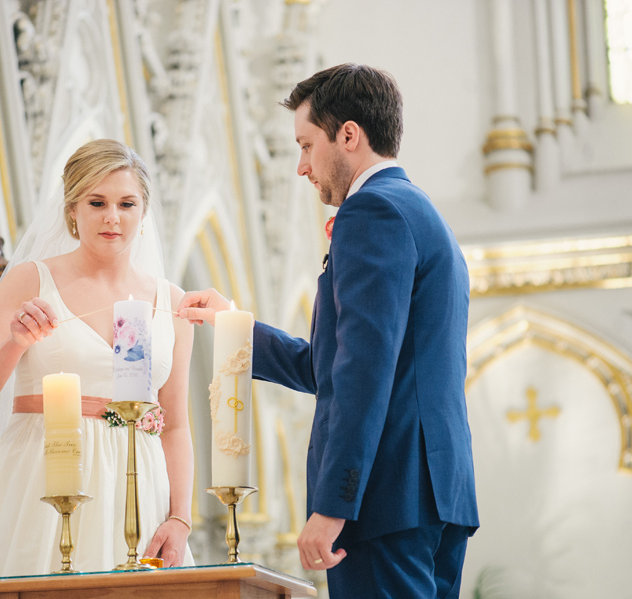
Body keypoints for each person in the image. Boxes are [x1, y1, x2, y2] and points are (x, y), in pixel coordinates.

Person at [178, 64, 479, 598]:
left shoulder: (373, 212)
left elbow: (363, 371)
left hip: (385, 497)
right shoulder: (422, 213)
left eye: (305, 144)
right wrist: (232, 327)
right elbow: (334, 363)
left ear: (348, 135)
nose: (301, 166)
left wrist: (334, 504)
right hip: (433, 493)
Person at [0, 139, 194, 599]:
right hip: (43, 479)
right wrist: (14, 344)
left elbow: (174, 425)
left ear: (143, 211)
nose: (112, 217)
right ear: (72, 209)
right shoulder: (32, 280)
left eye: (126, 203)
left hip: (139, 487)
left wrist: (180, 517)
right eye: (97, 203)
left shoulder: (172, 303)